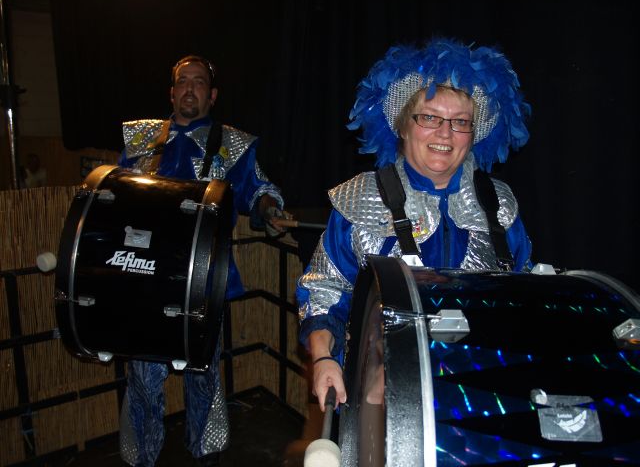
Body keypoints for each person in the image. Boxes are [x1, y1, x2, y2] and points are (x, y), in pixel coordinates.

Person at [296, 38, 533, 411]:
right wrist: (324, 358)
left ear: (473, 134)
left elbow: (526, 296)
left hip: (482, 400)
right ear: (403, 125)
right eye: (430, 117)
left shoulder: (500, 205)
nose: (445, 133)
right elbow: (323, 290)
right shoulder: (361, 199)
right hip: (383, 403)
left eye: (460, 122)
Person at [118, 55, 287, 466]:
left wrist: (268, 207)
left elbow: (257, 188)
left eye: (198, 82)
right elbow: (117, 191)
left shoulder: (233, 144)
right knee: (142, 377)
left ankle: (205, 454)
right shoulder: (141, 139)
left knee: (203, 372)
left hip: (204, 275)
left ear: (212, 95)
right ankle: (141, 458)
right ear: (171, 92)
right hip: (145, 277)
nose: (189, 88)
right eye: (183, 81)